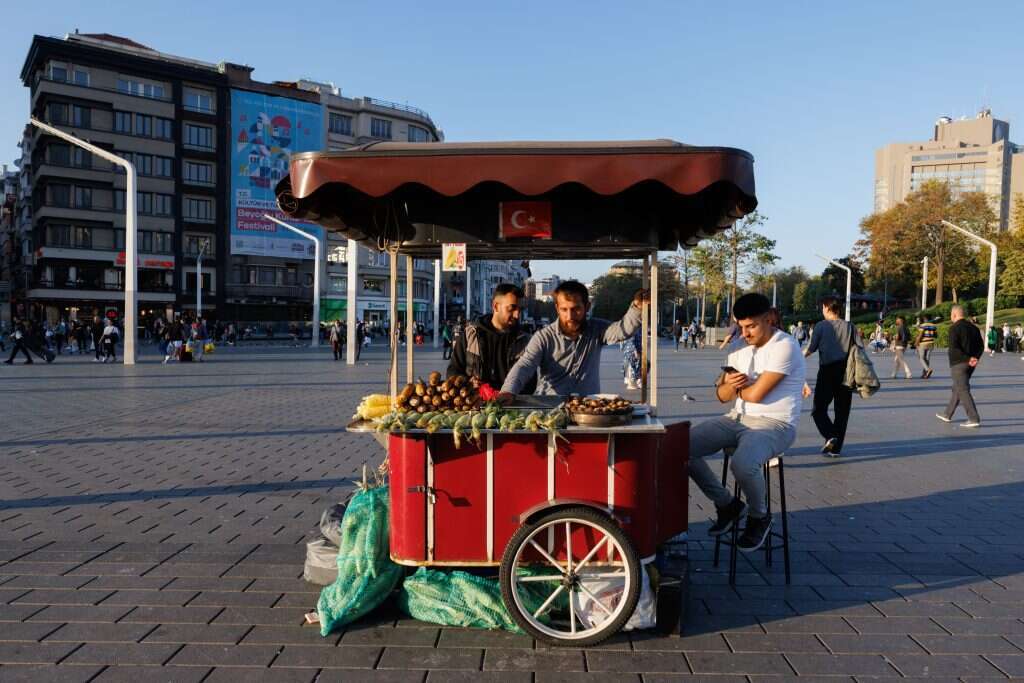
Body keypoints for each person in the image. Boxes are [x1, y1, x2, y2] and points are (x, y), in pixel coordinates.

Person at [688, 293, 805, 552]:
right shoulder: (738, 346)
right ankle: (727, 505)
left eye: (751, 326)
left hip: (775, 423)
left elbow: (756, 395)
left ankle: (759, 515)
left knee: (743, 463)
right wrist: (729, 385)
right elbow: (721, 397)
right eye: (741, 326)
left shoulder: (785, 346)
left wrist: (734, 389)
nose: (746, 333)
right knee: (680, 447)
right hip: (736, 418)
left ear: (769, 318)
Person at [499, 280, 646, 398]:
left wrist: (638, 307)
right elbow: (525, 365)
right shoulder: (543, 337)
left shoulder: (597, 329)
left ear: (587, 307)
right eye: (564, 310)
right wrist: (508, 391)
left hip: (588, 409)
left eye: (576, 309)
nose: (570, 317)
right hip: (551, 409)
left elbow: (622, 330)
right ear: (557, 308)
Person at [448, 284, 536, 394]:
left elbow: (531, 383)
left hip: (511, 407)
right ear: (495, 306)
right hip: (475, 405)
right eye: (512, 308)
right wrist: (467, 382)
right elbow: (453, 371)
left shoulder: (525, 341)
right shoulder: (470, 335)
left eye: (520, 309)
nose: (517, 315)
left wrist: (511, 390)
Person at [804, 296, 856, 457]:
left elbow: (810, 349)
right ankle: (836, 448)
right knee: (842, 411)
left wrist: (795, 359)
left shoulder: (821, 326)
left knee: (818, 409)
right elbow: (858, 349)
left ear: (827, 307)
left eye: (822, 307)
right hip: (847, 371)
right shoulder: (850, 326)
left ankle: (830, 434)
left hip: (827, 370)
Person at [936, 305, 983, 428]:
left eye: (951, 315)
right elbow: (981, 346)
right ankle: (947, 414)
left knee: (962, 389)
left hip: (958, 363)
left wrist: (967, 358)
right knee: (957, 387)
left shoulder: (954, 328)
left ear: (954, 314)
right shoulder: (974, 328)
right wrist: (974, 358)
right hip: (971, 364)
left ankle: (973, 418)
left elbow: (954, 348)